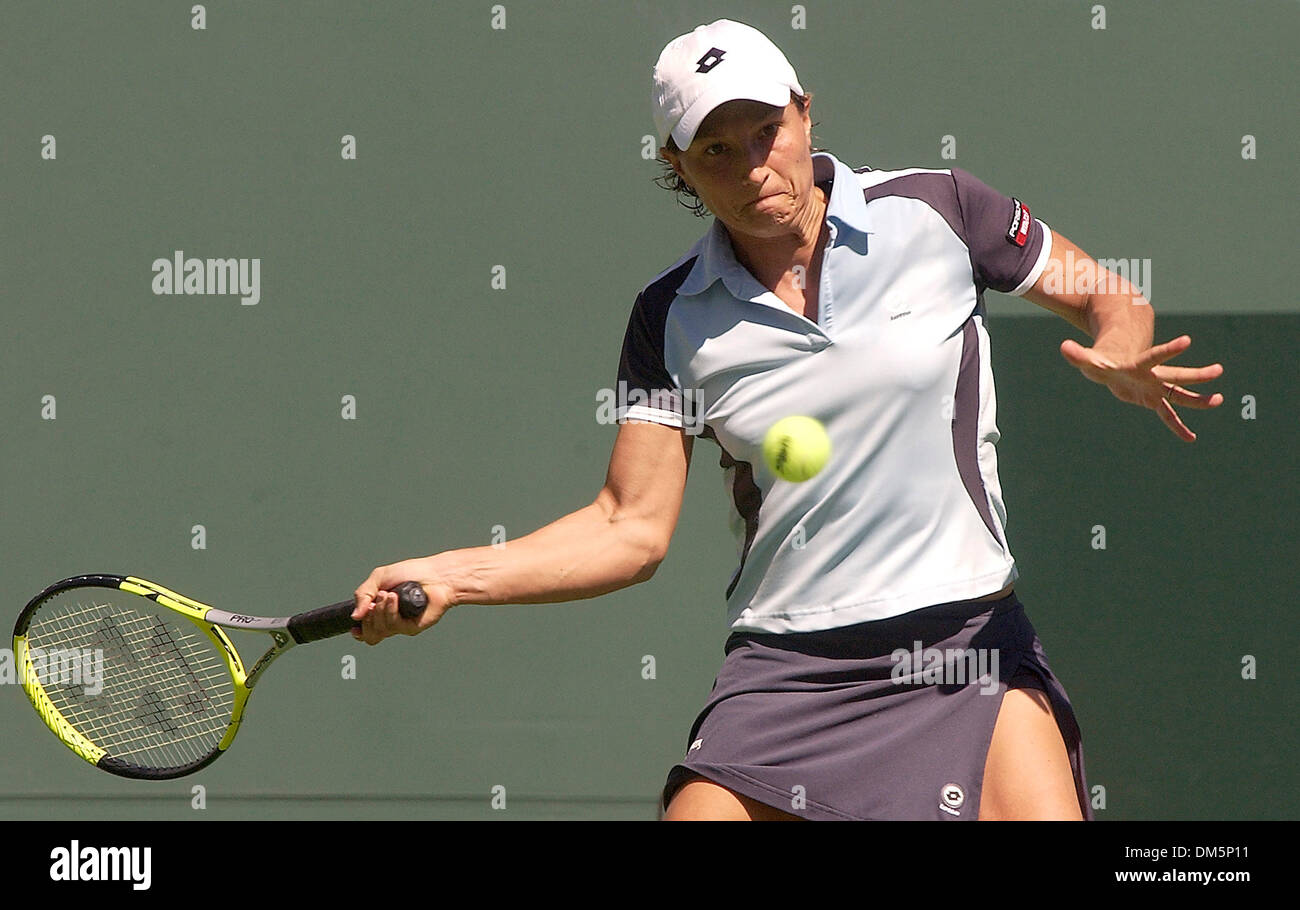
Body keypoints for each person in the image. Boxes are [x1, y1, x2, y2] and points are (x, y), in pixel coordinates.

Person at [349, 19, 1224, 821]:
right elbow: (629, 527)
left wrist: (1121, 351)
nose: (751, 165)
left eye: (766, 131)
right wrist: (455, 577)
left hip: (963, 648)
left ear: (805, 113)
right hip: (787, 672)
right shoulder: (670, 317)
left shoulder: (943, 210)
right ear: (678, 166)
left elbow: (1105, 295)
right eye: (715, 150)